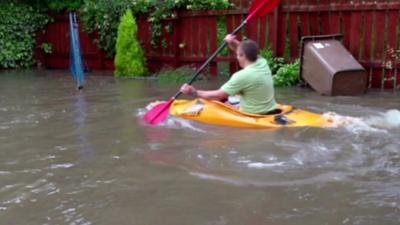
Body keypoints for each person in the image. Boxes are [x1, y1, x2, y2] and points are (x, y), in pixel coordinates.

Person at [180, 34, 278, 115]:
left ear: (242, 55)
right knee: (233, 97)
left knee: (219, 99)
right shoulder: (262, 62)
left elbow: (218, 95)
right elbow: (245, 50)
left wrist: (193, 92)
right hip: (270, 110)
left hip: (253, 114)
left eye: (238, 54)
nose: (236, 56)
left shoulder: (241, 76)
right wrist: (232, 41)